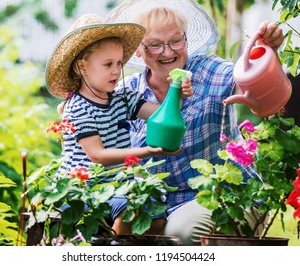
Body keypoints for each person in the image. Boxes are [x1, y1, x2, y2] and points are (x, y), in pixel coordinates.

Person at [106, 0, 285, 245]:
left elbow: (255, 90)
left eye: (176, 40)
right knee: (118, 228)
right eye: (155, 44)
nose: (167, 52)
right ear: (137, 50)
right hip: (158, 202)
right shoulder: (126, 94)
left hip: (222, 192)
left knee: (181, 232)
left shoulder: (209, 71)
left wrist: (267, 52)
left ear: (186, 40)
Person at [44, 13, 193, 236]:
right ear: (82, 67)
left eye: (119, 63)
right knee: (131, 210)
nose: (116, 71)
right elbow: (97, 155)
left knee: (157, 213)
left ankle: (122, 244)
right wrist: (145, 151)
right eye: (108, 64)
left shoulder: (122, 98)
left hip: (117, 187)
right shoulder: (78, 107)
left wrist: (176, 92)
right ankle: (115, 248)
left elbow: (159, 115)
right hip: (83, 188)